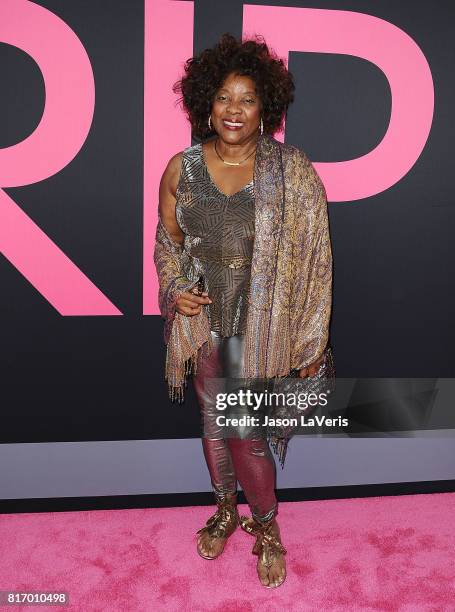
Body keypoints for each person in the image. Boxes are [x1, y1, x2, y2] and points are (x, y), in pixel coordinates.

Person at [153, 33, 333, 589]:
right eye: (224, 97)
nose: (234, 109)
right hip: (207, 325)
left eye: (248, 98)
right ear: (207, 102)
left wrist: (310, 341)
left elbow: (316, 259)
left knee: (246, 433)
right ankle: (227, 510)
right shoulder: (181, 167)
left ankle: (267, 526)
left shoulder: (292, 171)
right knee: (212, 426)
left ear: (266, 109)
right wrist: (176, 287)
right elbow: (167, 242)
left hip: (266, 328)